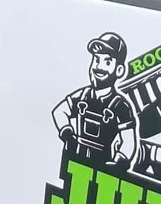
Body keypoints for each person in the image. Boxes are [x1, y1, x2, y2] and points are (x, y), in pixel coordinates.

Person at [51, 33, 138, 169]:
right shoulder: (83, 95)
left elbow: (128, 141)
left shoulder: (121, 106)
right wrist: (68, 135)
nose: (99, 67)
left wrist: (119, 163)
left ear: (119, 70)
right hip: (74, 161)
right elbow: (59, 111)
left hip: (102, 166)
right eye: (96, 60)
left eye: (107, 62)